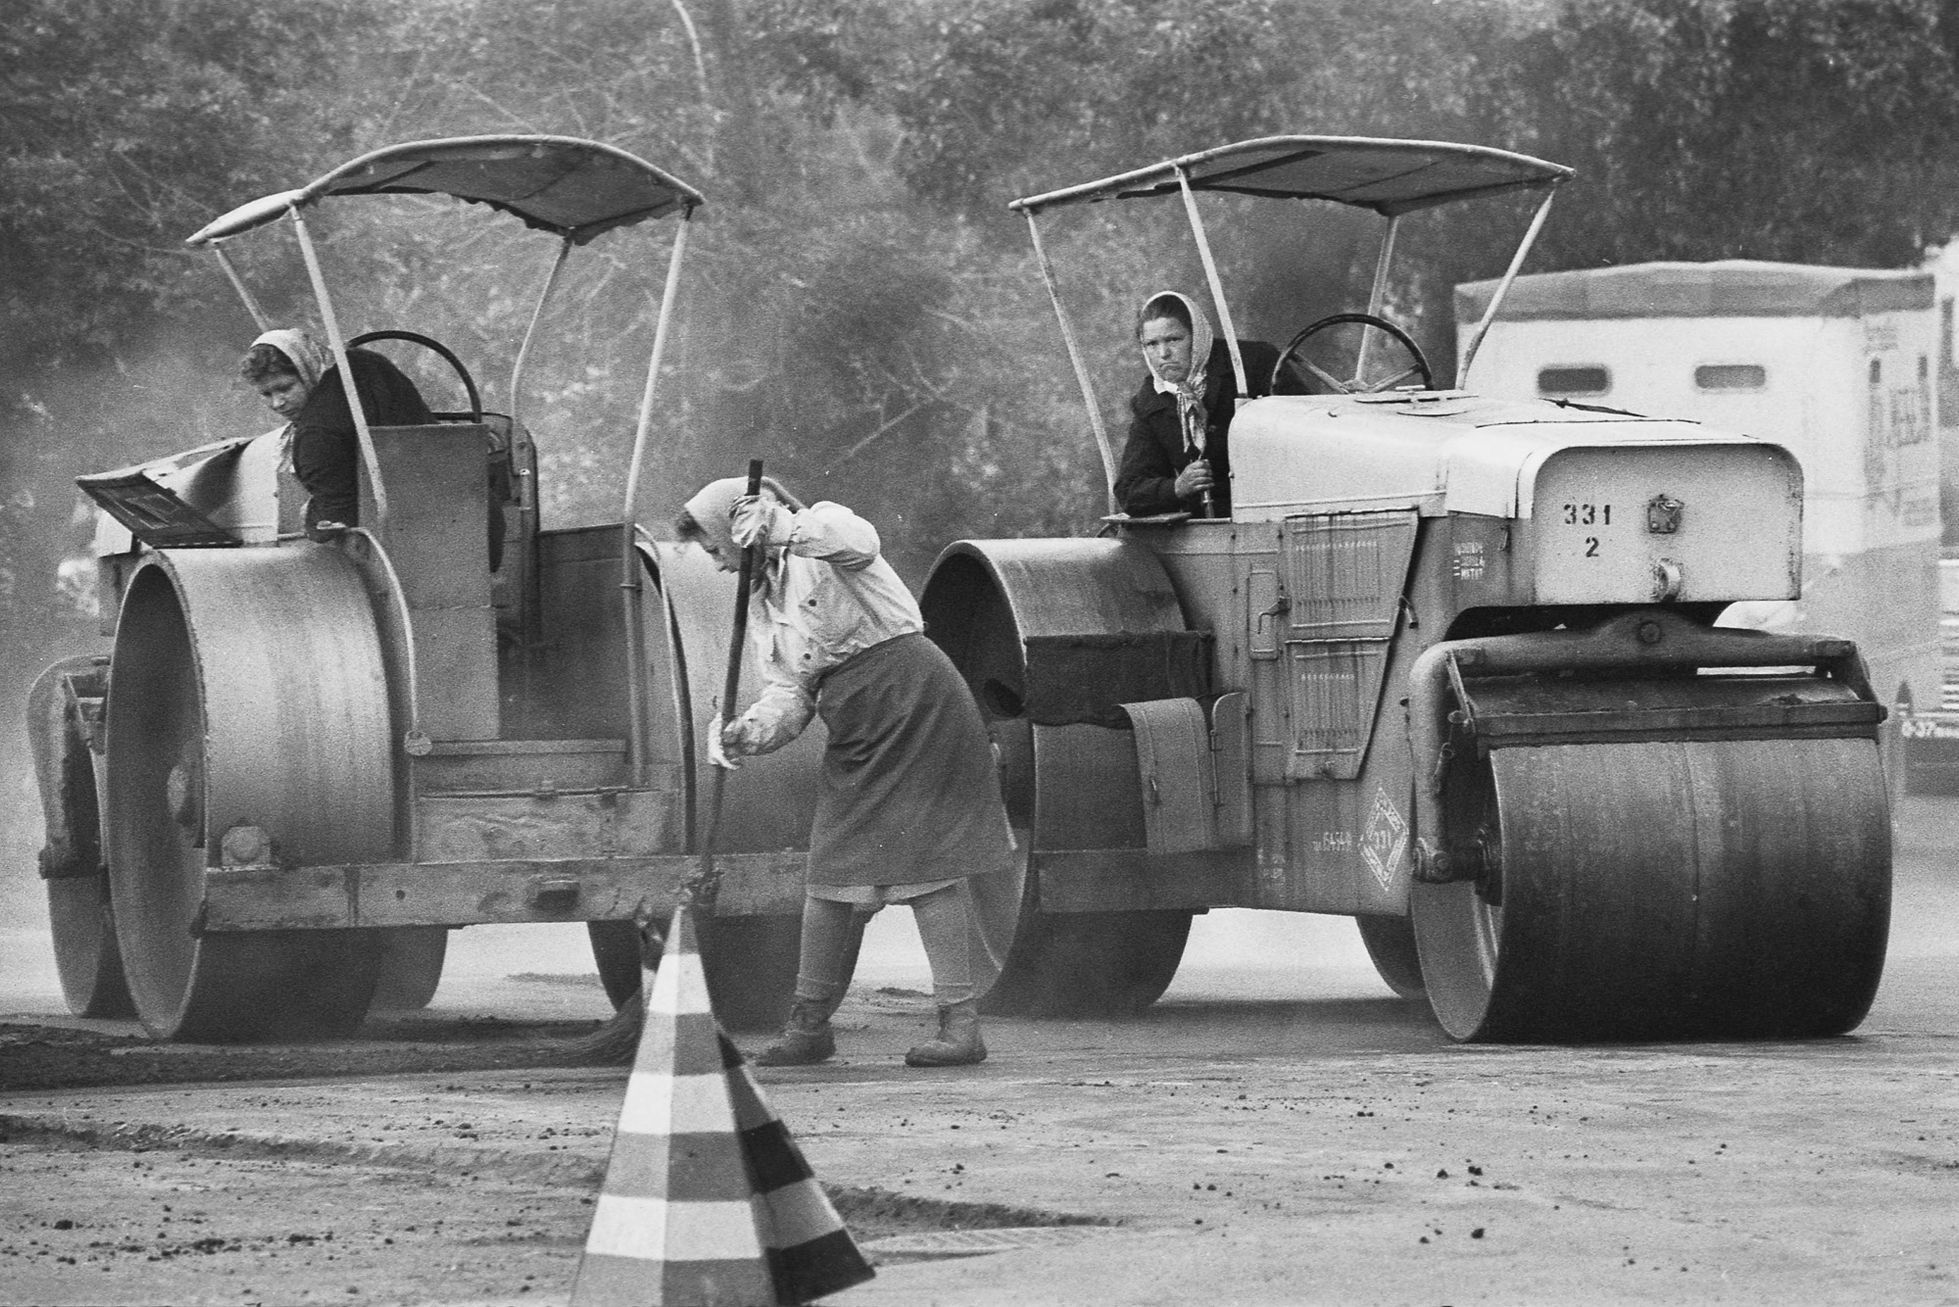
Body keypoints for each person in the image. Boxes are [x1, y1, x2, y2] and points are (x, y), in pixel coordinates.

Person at [676, 475, 1015, 1068]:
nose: (719, 566)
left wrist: (781, 524)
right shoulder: (764, 601)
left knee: (925, 868)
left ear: (739, 529)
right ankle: (809, 1028)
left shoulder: (823, 535)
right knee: (830, 873)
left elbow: (859, 540)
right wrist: (747, 731)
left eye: (715, 550)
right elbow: (791, 691)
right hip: (857, 725)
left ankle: (961, 1027)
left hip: (914, 700)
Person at [240, 328, 434, 539]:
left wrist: (311, 520)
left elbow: (337, 518)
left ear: (305, 371)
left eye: (285, 388)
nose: (278, 403)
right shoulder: (365, 361)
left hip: (391, 528)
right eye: (266, 394)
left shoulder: (315, 435)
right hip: (436, 479)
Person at [1113, 291, 1282, 519]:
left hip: (1274, 510)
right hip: (1212, 528)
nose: (1163, 353)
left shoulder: (1251, 364)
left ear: (1197, 336)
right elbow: (1130, 491)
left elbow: (1306, 431)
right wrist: (1176, 487)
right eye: (1151, 344)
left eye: (1173, 339)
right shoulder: (1153, 399)